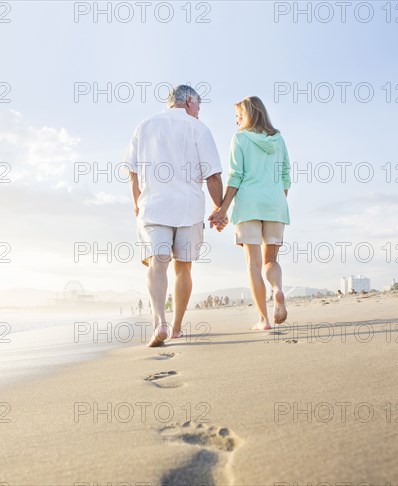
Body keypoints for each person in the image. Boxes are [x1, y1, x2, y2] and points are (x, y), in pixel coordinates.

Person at [124, 84, 225, 347]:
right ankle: (177, 327)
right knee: (184, 267)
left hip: (153, 206)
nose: (199, 113)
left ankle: (160, 322)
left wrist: (137, 204)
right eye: (199, 108)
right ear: (189, 101)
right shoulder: (198, 128)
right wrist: (220, 209)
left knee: (157, 261)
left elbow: (133, 173)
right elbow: (213, 174)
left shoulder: (144, 125)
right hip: (189, 209)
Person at [210, 96, 291, 330]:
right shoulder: (279, 139)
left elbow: (235, 176)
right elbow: (286, 174)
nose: (236, 122)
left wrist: (222, 208)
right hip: (275, 203)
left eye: (238, 117)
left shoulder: (240, 138)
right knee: (271, 260)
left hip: (248, 206)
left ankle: (264, 320)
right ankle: (277, 290)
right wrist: (277, 198)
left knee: (253, 265)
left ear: (246, 116)